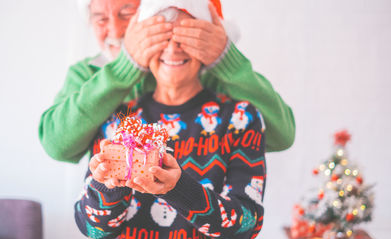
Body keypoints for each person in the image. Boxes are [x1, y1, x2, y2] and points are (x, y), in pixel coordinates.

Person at [74, 2, 266, 239]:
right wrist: (106, 187)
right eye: (162, 35)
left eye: (185, 36)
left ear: (205, 43)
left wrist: (178, 188)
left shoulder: (239, 119)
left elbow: (246, 224)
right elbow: (93, 228)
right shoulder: (119, 121)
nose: (172, 48)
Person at [38, 0, 295, 165]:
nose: (115, 32)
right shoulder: (87, 74)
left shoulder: (200, 73)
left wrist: (227, 61)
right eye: (101, 19)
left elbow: (280, 135)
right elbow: (56, 145)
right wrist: (124, 68)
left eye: (127, 13)